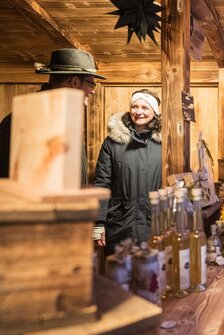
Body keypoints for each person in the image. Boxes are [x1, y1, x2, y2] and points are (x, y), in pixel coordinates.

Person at [0, 48, 105, 180]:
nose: (93, 91)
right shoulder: (21, 121)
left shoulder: (66, 120)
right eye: (91, 85)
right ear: (75, 82)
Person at [94, 89, 162, 255]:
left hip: (153, 224)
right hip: (119, 224)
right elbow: (102, 183)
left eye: (145, 108)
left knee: (151, 276)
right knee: (118, 276)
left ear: (155, 112)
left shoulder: (166, 143)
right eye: (135, 106)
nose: (138, 112)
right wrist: (99, 223)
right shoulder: (113, 142)